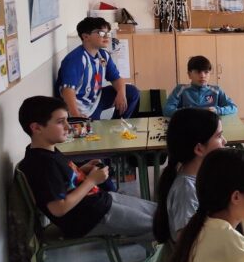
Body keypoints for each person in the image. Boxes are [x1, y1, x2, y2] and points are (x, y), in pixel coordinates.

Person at [17, 96, 155, 240]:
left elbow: (60, 182)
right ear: (36, 128)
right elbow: (59, 208)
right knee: (160, 225)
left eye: (67, 120)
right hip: (91, 218)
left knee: (160, 213)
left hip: (99, 202)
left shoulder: (46, 151)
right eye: (60, 122)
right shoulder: (42, 164)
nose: (68, 127)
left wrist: (82, 170)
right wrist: (91, 181)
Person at [152, 108, 228, 243]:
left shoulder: (194, 173)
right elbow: (187, 243)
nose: (225, 141)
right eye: (219, 136)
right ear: (199, 149)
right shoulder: (186, 190)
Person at [56, 17, 139, 119]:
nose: (106, 37)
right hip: (79, 107)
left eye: (108, 33)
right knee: (92, 128)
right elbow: (67, 91)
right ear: (86, 37)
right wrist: (76, 116)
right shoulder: (76, 59)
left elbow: (116, 79)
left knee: (131, 92)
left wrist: (121, 93)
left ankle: (118, 124)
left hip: (95, 100)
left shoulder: (103, 55)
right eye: (101, 33)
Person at [164, 55, 238, 117]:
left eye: (206, 72)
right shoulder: (180, 89)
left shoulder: (216, 91)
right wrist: (187, 112)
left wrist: (217, 110)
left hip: (210, 125)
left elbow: (233, 107)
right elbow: (167, 110)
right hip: (188, 125)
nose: (202, 76)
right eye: (198, 72)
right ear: (189, 74)